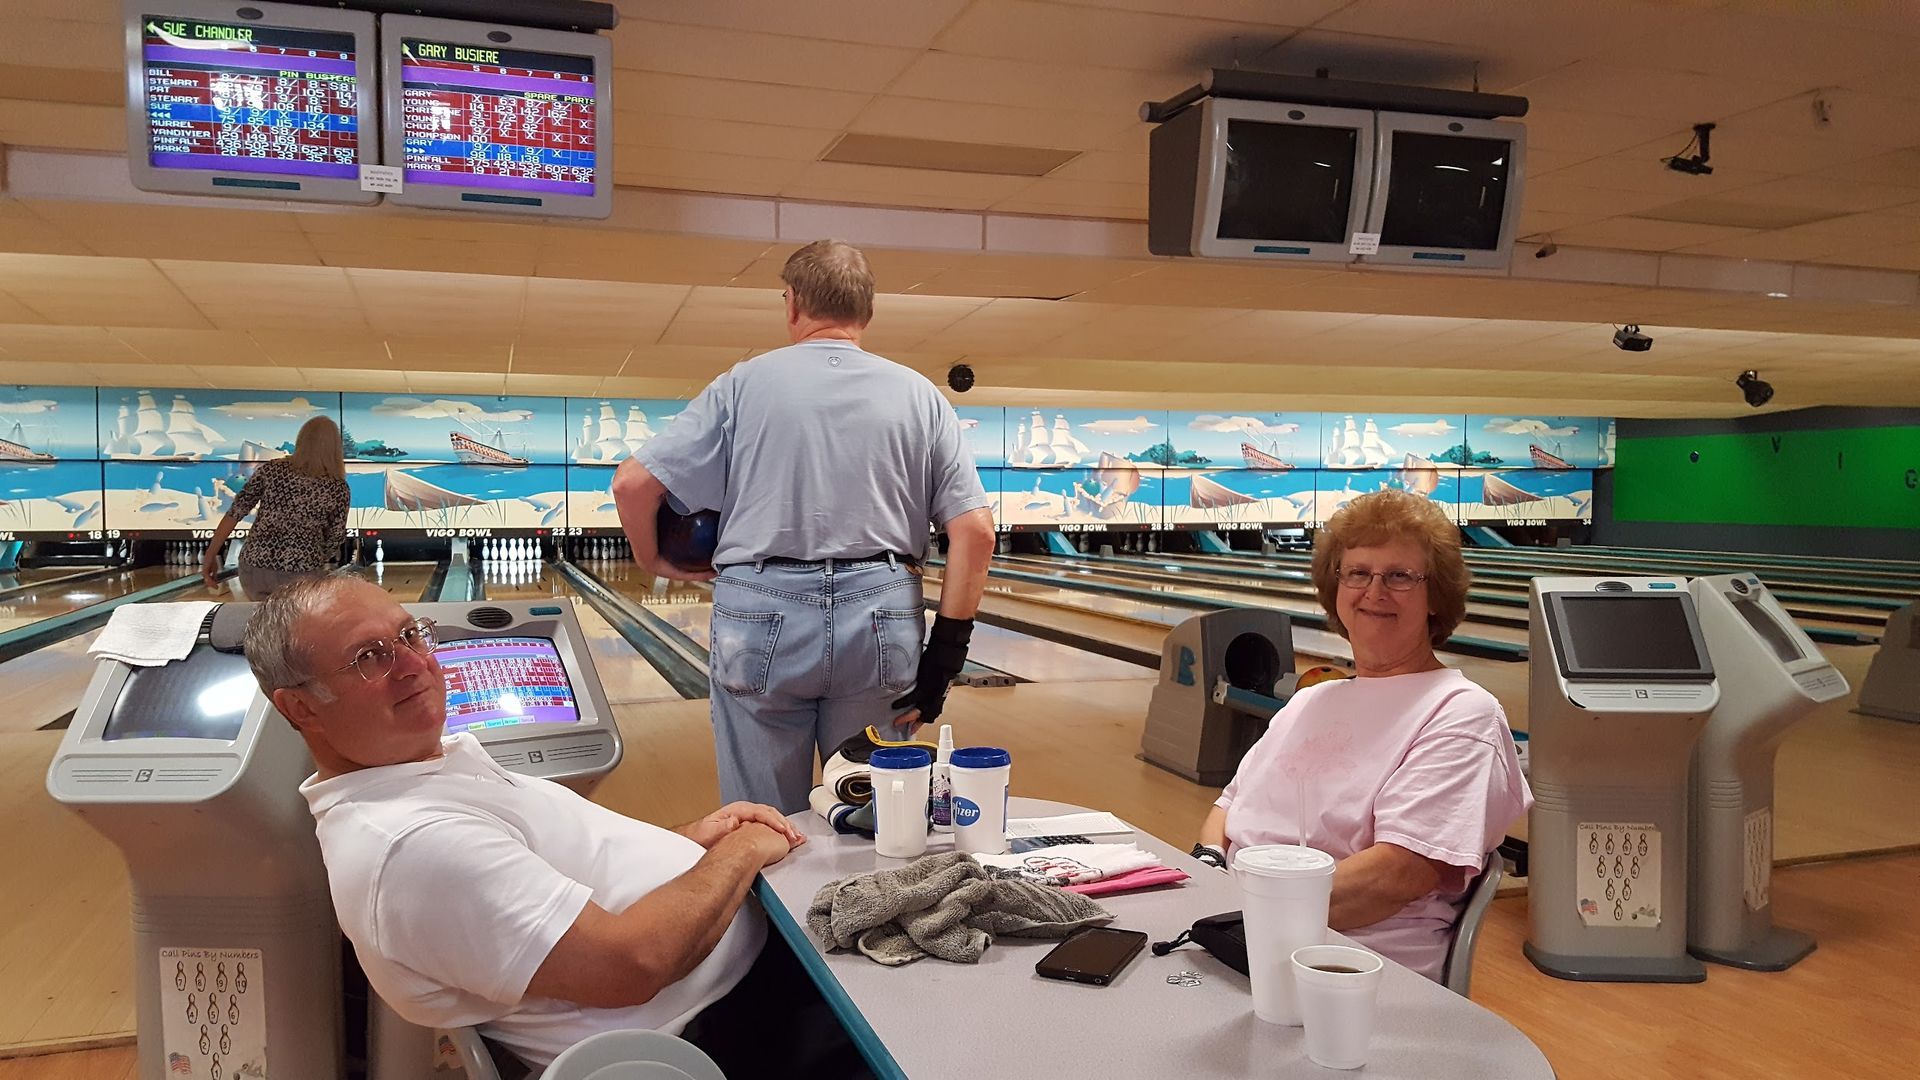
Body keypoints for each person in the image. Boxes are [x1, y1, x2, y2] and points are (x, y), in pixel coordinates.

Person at [245, 572, 866, 1076]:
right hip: (721, 1035)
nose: (411, 664)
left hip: (747, 980)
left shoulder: (418, 774)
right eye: (368, 658)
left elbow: (554, 885)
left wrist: (692, 841)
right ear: (300, 706)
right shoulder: (410, 847)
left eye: (410, 635)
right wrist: (739, 853)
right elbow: (633, 964)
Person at [612, 239, 997, 813]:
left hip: (760, 608)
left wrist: (653, 560)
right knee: (879, 822)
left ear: (791, 304)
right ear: (867, 311)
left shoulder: (741, 384)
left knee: (761, 827)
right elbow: (976, 532)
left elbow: (631, 485)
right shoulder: (922, 395)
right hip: (881, 611)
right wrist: (946, 655)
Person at [1193, 490, 1531, 981]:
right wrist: (1204, 874)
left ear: (1436, 595)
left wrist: (1236, 909)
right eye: (1357, 573)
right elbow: (1226, 808)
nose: (1375, 591)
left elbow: (1393, 877)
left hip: (1344, 971)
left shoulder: (1461, 714)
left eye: (1399, 576)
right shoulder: (1312, 701)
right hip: (1240, 937)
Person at [201, 415, 350, 598]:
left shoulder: (272, 470)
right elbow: (335, 538)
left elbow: (235, 512)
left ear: (301, 440)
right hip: (300, 572)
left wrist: (210, 555)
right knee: (291, 626)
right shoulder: (337, 487)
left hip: (253, 568)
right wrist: (315, 557)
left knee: (262, 624)